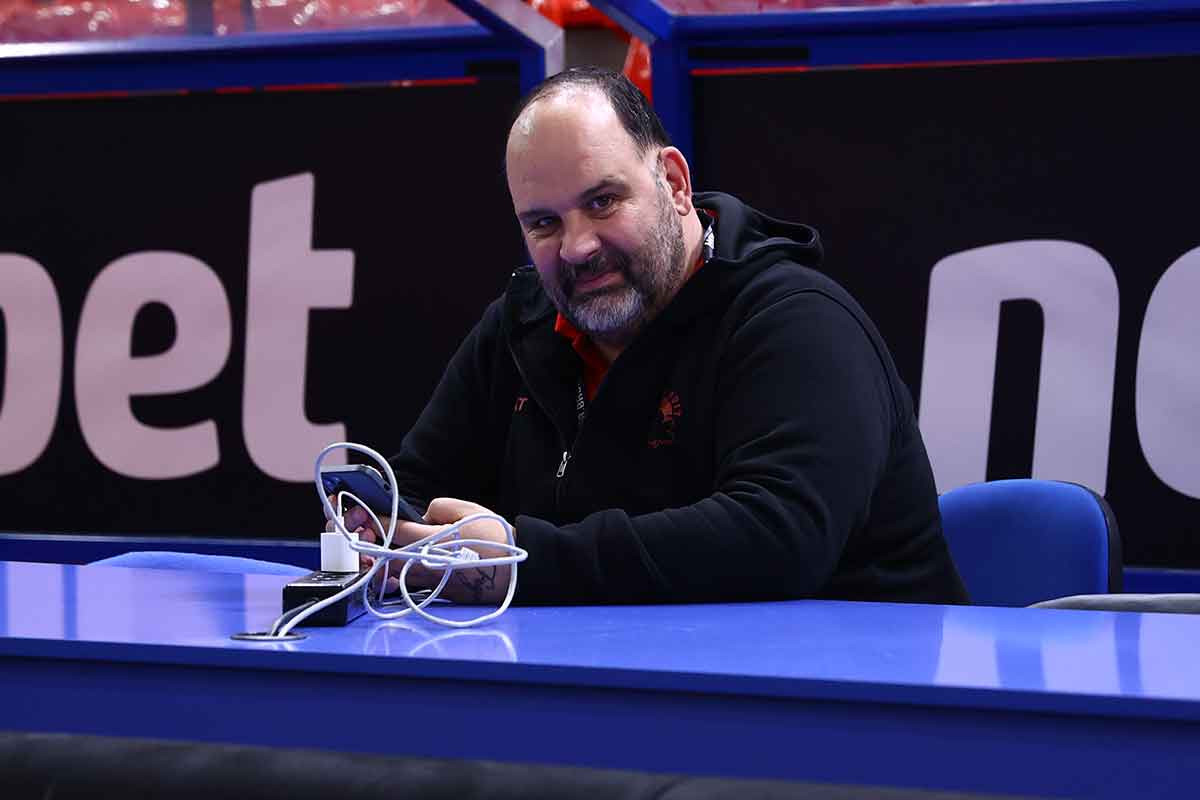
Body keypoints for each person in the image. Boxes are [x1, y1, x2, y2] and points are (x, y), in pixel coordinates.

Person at [338, 66, 968, 607]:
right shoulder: (518, 324)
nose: (577, 246)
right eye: (544, 223)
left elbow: (778, 540)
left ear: (674, 183)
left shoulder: (800, 320)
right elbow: (411, 487)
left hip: (856, 693)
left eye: (603, 201)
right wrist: (377, 527)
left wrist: (516, 561)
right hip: (613, 682)